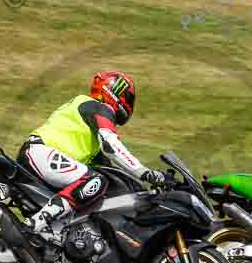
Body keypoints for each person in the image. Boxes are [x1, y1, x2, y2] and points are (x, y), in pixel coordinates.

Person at [17, 71, 166, 243]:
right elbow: (111, 146)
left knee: (99, 185)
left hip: (42, 157)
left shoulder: (90, 122)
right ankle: (35, 226)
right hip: (40, 153)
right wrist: (145, 173)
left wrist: (143, 193)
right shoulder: (98, 108)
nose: (130, 104)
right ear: (116, 93)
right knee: (95, 181)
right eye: (128, 98)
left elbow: (113, 172)